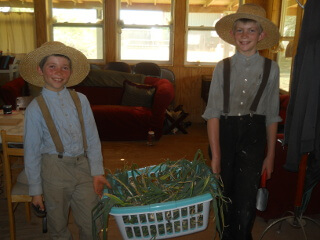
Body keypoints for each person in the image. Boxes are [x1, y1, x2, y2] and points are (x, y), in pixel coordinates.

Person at [202, 4, 281, 240]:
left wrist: (271, 155)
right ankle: (225, 235)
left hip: (254, 134)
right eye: (240, 30)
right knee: (225, 193)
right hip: (224, 133)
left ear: (261, 35)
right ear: (232, 35)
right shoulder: (222, 68)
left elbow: (271, 114)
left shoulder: (271, 68)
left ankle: (244, 235)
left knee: (247, 195)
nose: (245, 35)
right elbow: (213, 113)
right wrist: (216, 156)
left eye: (251, 30)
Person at [19, 41, 110, 239]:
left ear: (70, 72)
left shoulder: (81, 100)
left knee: (92, 220)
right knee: (58, 224)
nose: (59, 72)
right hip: (54, 170)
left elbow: (93, 138)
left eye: (64, 67)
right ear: (40, 70)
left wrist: (97, 172)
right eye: (52, 66)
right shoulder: (35, 108)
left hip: (82, 165)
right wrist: (36, 190)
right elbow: (32, 152)